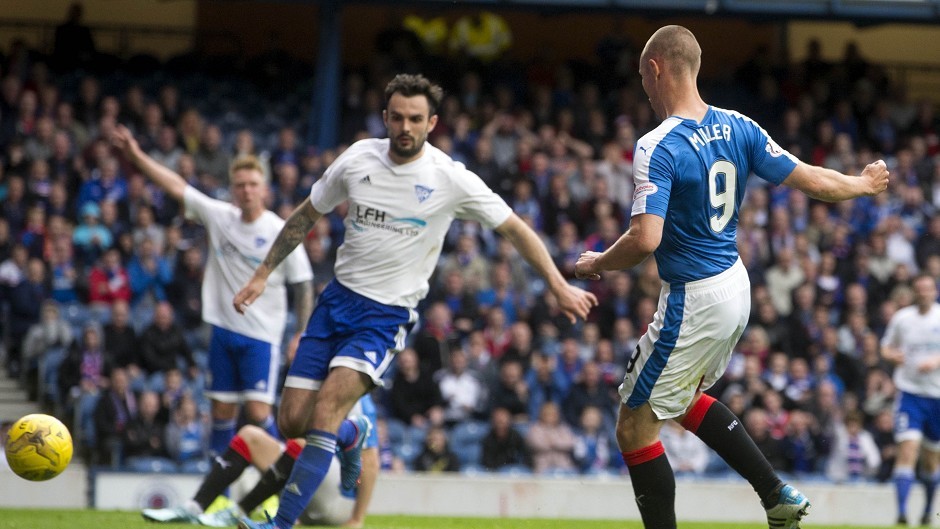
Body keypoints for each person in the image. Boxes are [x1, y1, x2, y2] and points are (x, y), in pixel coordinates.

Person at [233, 73, 596, 529]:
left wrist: (558, 285)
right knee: (290, 423)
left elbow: (515, 229)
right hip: (335, 302)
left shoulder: (449, 177)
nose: (406, 127)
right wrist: (263, 273)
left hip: (385, 316)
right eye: (398, 117)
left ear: (432, 123)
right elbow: (306, 215)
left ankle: (279, 523)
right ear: (385, 117)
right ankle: (355, 433)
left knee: (325, 409)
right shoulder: (357, 159)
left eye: (416, 119)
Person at [573, 25, 889, 529]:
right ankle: (775, 493)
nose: (644, 89)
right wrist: (864, 184)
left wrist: (595, 263)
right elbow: (813, 178)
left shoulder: (658, 145)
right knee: (679, 400)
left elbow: (644, 240)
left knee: (634, 425)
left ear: (655, 70)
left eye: (643, 78)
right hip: (734, 285)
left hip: (693, 297)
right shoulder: (739, 126)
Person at [112, 125, 314, 455]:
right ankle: (220, 494)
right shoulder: (220, 217)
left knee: (258, 412)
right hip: (222, 330)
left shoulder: (279, 230)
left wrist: (300, 334)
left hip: (262, 335)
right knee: (221, 412)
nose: (247, 191)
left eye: (253, 184)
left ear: (264, 188)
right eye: (240, 185)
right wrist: (135, 156)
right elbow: (177, 186)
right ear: (233, 189)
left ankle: (282, 475)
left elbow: (303, 283)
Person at [141, 395, 380, 528]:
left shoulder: (356, 394)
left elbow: (370, 460)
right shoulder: (316, 384)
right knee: (249, 435)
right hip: (305, 499)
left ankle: (240, 511)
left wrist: (356, 519)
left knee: (303, 444)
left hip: (336, 501)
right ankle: (195, 507)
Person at [881, 273, 940, 527]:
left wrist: (937, 361)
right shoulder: (902, 318)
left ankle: (927, 511)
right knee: (908, 449)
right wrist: (893, 356)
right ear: (914, 292)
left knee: (930, 460)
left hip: (936, 396)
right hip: (909, 394)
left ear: (934, 291)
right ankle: (902, 514)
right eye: (919, 289)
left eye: (928, 289)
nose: (924, 293)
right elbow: (885, 347)